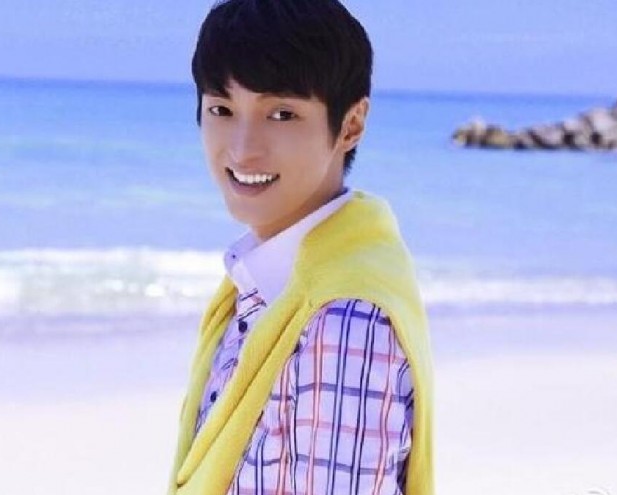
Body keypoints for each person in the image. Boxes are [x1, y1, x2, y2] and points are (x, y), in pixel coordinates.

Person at [167, 1, 434, 494]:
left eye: (282, 114)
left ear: (350, 125)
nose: (243, 148)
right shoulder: (267, 287)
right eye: (222, 109)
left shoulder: (342, 321)